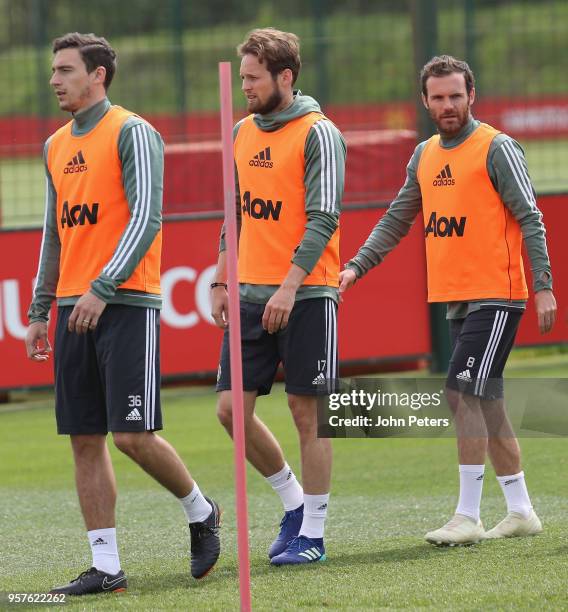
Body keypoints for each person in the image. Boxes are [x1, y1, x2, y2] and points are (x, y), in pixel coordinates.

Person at [24, 32, 221, 595]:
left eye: (65, 69)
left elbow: (146, 220)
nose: (55, 79)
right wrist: (42, 308)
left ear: (98, 75)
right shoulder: (54, 145)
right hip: (69, 308)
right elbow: (54, 234)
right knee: (84, 439)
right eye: (53, 70)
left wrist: (103, 287)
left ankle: (200, 510)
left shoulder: (133, 132)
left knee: (133, 436)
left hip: (125, 303)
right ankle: (106, 568)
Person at [340, 55, 557, 546]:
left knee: (460, 393)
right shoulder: (424, 156)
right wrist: (355, 266)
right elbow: (397, 219)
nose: (448, 105)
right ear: (425, 101)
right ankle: (521, 510)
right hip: (457, 299)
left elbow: (531, 217)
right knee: (488, 400)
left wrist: (542, 284)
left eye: (455, 95)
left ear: (471, 95)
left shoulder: (497, 148)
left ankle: (467, 515)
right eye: (438, 97)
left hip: (497, 296)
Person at [211, 28, 346, 565]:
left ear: (284, 77)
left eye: (252, 78)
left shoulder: (320, 133)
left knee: (306, 412)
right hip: (248, 293)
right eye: (241, 77)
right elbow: (235, 211)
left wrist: (290, 287)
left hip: (308, 293)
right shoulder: (243, 132)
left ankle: (313, 534)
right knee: (229, 412)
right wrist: (223, 277)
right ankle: (292, 501)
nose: (244, 86)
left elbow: (324, 219)